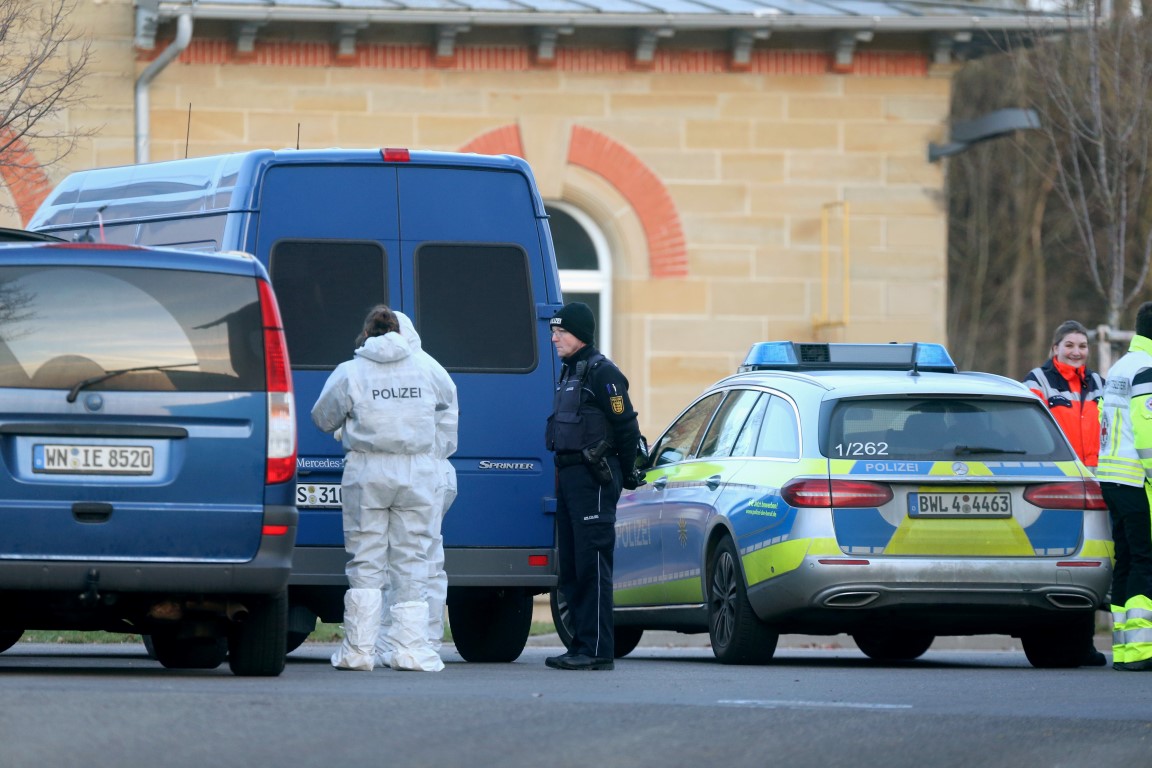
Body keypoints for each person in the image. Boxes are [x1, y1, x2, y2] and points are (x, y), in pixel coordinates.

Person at [311, 304, 458, 672]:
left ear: (366, 333)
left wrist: (352, 423)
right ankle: (410, 650)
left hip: (367, 471)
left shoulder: (352, 371)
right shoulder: (427, 367)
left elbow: (322, 417)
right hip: (417, 472)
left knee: (367, 560)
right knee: (412, 560)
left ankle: (360, 650)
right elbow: (447, 405)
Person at [544, 302, 643, 671]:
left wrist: (627, 472)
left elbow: (627, 426)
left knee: (593, 563)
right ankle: (581, 644)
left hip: (594, 479)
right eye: (553, 331)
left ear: (580, 333)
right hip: (569, 478)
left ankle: (598, 651)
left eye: (561, 331)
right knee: (571, 567)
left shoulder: (603, 373)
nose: (554, 337)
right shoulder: (571, 371)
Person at [375, 311, 458, 667]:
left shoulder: (368, 368)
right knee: (424, 562)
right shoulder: (433, 370)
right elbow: (447, 429)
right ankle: (421, 641)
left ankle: (381, 643)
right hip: (431, 473)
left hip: (386, 473)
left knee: (380, 562)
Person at [1024, 319, 1107, 667]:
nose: (1076, 352)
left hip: (1099, 479)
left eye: (1082, 346)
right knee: (1067, 557)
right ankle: (1076, 642)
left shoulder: (1099, 383)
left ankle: (1085, 641)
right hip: (1058, 479)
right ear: (1054, 349)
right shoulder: (1038, 381)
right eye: (1069, 345)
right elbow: (1029, 429)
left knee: (1093, 556)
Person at [1098, 301, 1152, 671]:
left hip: (1112, 476)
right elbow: (1148, 430)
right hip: (1137, 478)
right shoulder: (1147, 369)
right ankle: (1141, 651)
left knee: (1126, 560)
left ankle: (1123, 648)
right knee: (1145, 562)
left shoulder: (1120, 365)